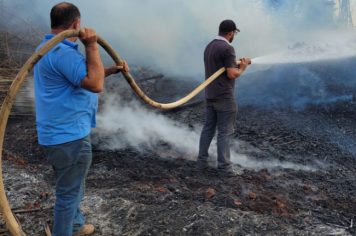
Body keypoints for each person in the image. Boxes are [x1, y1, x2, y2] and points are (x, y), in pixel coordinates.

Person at [34, 2, 129, 235]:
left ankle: (75, 226)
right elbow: (95, 85)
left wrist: (108, 70)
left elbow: (82, 76)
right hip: (69, 138)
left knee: (73, 187)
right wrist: (92, 46)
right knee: (68, 195)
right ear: (76, 23)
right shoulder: (63, 52)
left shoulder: (48, 48)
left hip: (58, 135)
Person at [196, 19, 251, 178]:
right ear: (232, 33)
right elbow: (231, 74)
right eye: (234, 33)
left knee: (208, 129)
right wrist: (242, 67)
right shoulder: (228, 48)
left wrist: (235, 64)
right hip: (224, 97)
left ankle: (201, 164)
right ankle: (224, 169)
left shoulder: (210, 46)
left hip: (210, 95)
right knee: (224, 133)